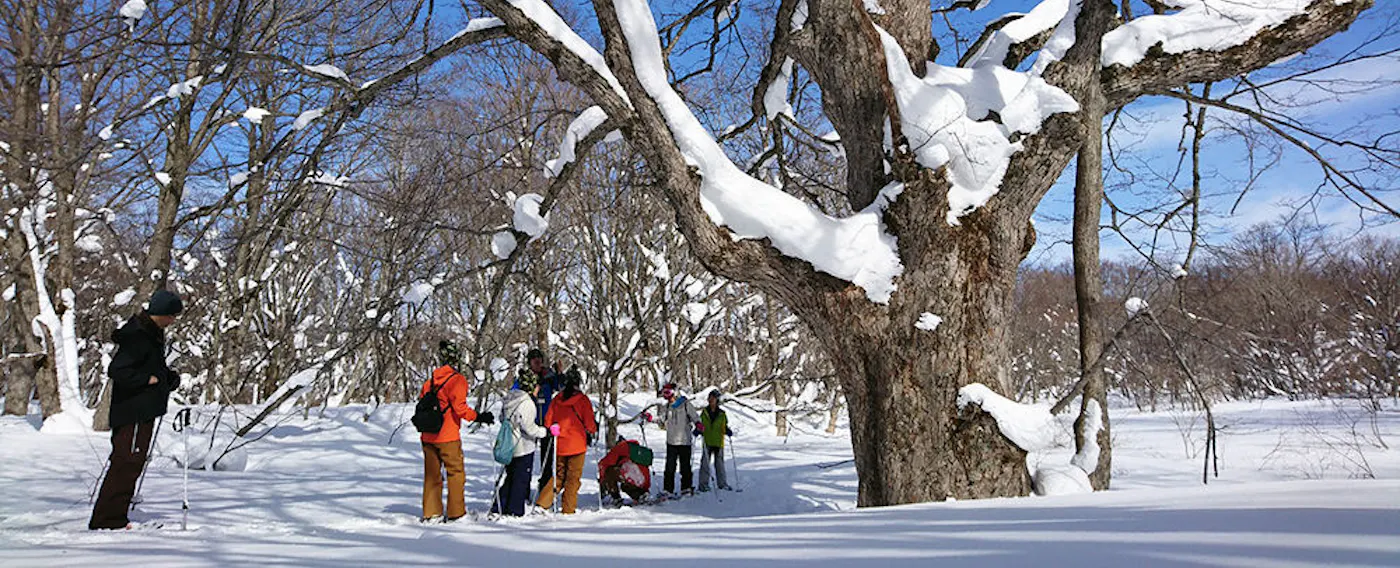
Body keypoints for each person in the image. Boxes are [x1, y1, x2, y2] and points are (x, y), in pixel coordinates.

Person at [90, 290, 184, 530]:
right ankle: (108, 520)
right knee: (126, 462)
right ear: (160, 313)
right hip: (133, 411)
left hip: (142, 411)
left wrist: (167, 378)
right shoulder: (139, 336)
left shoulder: (151, 335)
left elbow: (150, 366)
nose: (173, 320)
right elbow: (118, 371)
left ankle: (115, 516)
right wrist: (148, 380)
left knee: (131, 462)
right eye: (171, 315)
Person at [420, 341, 494, 522]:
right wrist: (479, 417)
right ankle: (456, 513)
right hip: (447, 436)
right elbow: (460, 409)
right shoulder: (457, 380)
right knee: (455, 473)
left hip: (427, 435)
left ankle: (431, 513)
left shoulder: (429, 382)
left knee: (432, 476)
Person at [535, 368, 597, 514]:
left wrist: (554, 429)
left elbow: (548, 421)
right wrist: (593, 430)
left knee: (559, 476)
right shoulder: (582, 400)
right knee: (573, 479)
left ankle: (543, 503)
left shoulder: (558, 399)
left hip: (560, 445)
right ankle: (568, 509)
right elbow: (589, 424)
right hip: (577, 445)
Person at [492, 371, 548, 516]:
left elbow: (501, 418)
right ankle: (515, 510)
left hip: (509, 444)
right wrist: (543, 432)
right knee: (520, 479)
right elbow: (529, 428)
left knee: (510, 476)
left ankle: (499, 506)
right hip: (523, 446)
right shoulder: (527, 403)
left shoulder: (510, 398)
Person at [518, 348, 563, 493]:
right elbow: (516, 392)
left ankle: (545, 490)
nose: (537, 363)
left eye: (539, 360)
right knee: (526, 459)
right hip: (529, 423)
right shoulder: (525, 377)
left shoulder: (549, 375)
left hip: (547, 423)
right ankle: (523, 490)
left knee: (547, 461)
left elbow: (561, 387)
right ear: (529, 362)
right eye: (534, 360)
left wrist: (559, 373)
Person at [653, 382, 700, 497]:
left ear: (674, 392)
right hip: (671, 441)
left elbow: (695, 416)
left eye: (668, 393)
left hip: (684, 441)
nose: (666, 396)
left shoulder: (685, 404)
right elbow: (661, 420)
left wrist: (698, 424)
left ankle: (686, 488)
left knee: (685, 467)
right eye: (664, 393)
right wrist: (650, 418)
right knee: (669, 467)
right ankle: (668, 490)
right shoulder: (667, 406)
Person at [697, 390, 734, 492]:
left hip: (718, 441)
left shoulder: (722, 414)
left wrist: (727, 430)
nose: (710, 400)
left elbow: (723, 426)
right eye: (709, 398)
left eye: (713, 398)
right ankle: (703, 484)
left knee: (719, 464)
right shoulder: (704, 412)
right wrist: (698, 430)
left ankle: (722, 484)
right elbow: (700, 424)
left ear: (717, 400)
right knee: (705, 463)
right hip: (707, 441)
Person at [598, 436, 651, 505]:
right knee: (625, 486)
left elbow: (604, 463)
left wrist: (602, 481)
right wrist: (645, 489)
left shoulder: (620, 448)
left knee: (609, 471)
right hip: (642, 481)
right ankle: (640, 495)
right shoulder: (638, 451)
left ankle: (615, 497)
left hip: (630, 474)